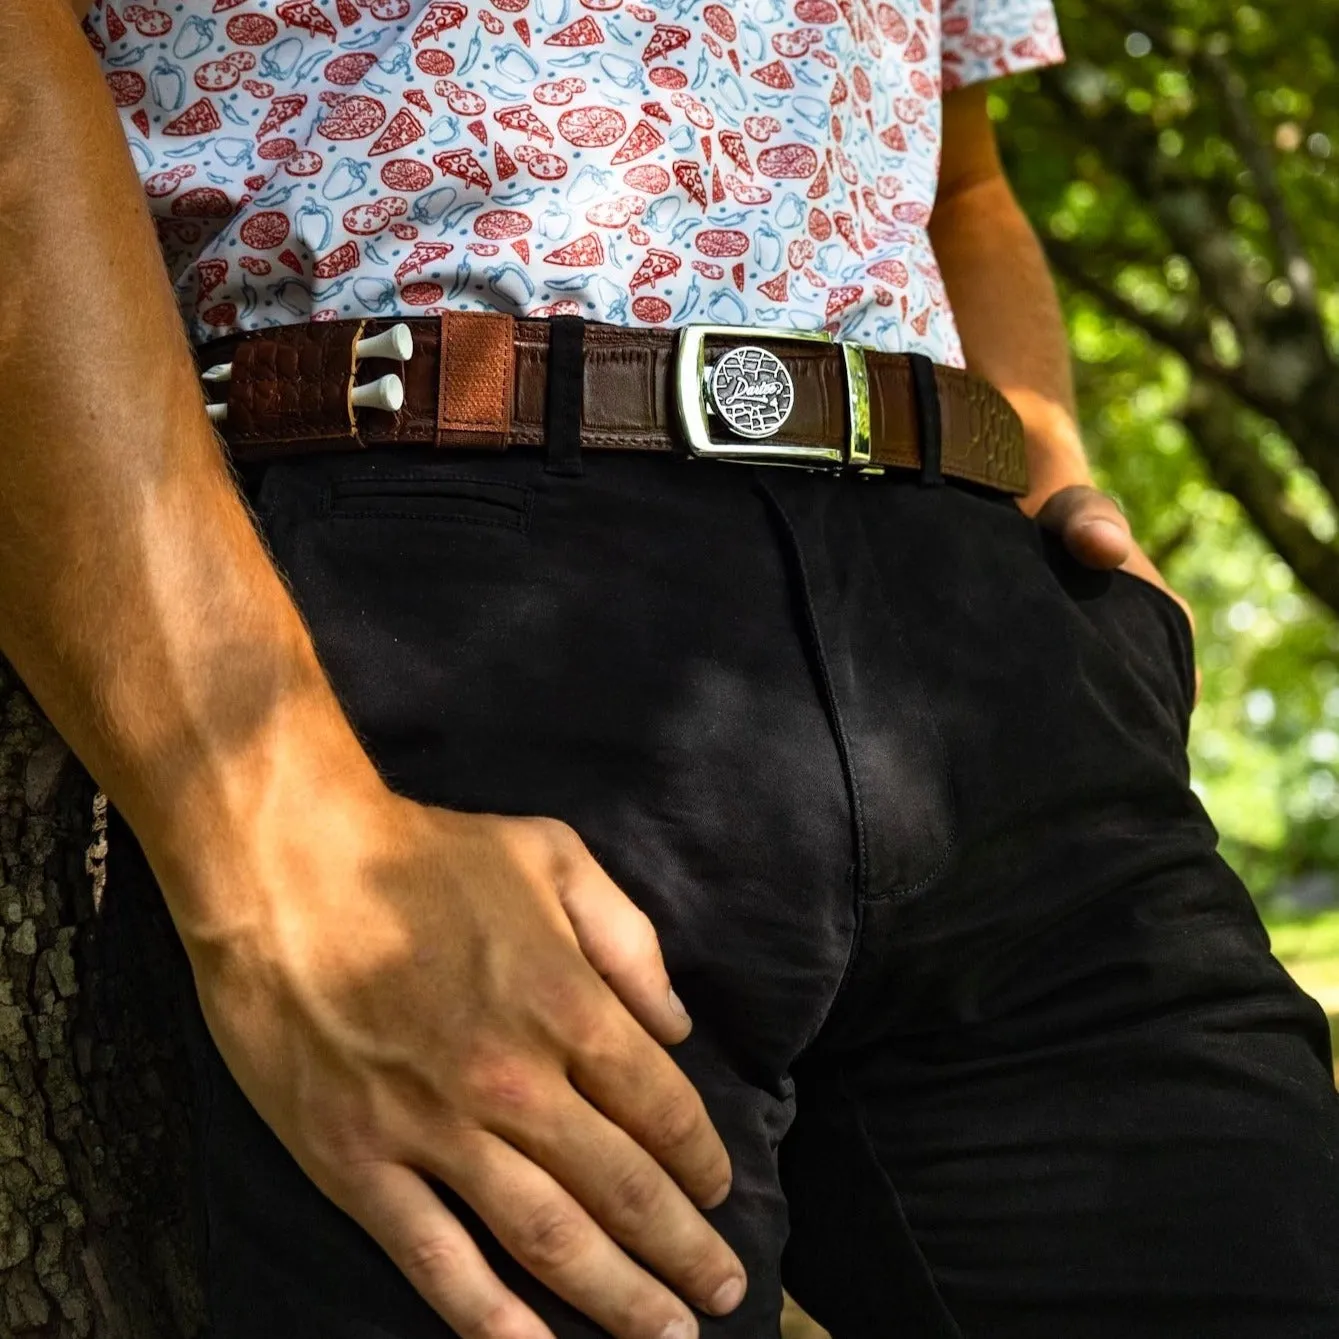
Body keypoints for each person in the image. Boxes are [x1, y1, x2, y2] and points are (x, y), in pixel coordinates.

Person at [2, 0, 1337, 1336]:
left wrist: (1060, 475)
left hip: (998, 667)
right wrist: (269, 829)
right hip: (457, 610)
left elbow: (966, 183)